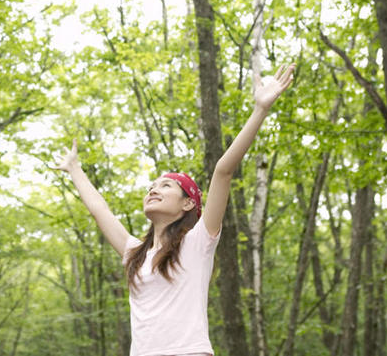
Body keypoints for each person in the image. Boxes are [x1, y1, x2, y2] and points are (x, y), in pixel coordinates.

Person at [53, 64, 295, 356]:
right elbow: (99, 210)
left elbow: (223, 172)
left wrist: (260, 110)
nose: (154, 190)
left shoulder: (198, 242)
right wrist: (75, 169)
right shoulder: (134, 253)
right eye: (152, 186)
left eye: (166, 186)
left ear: (188, 203)